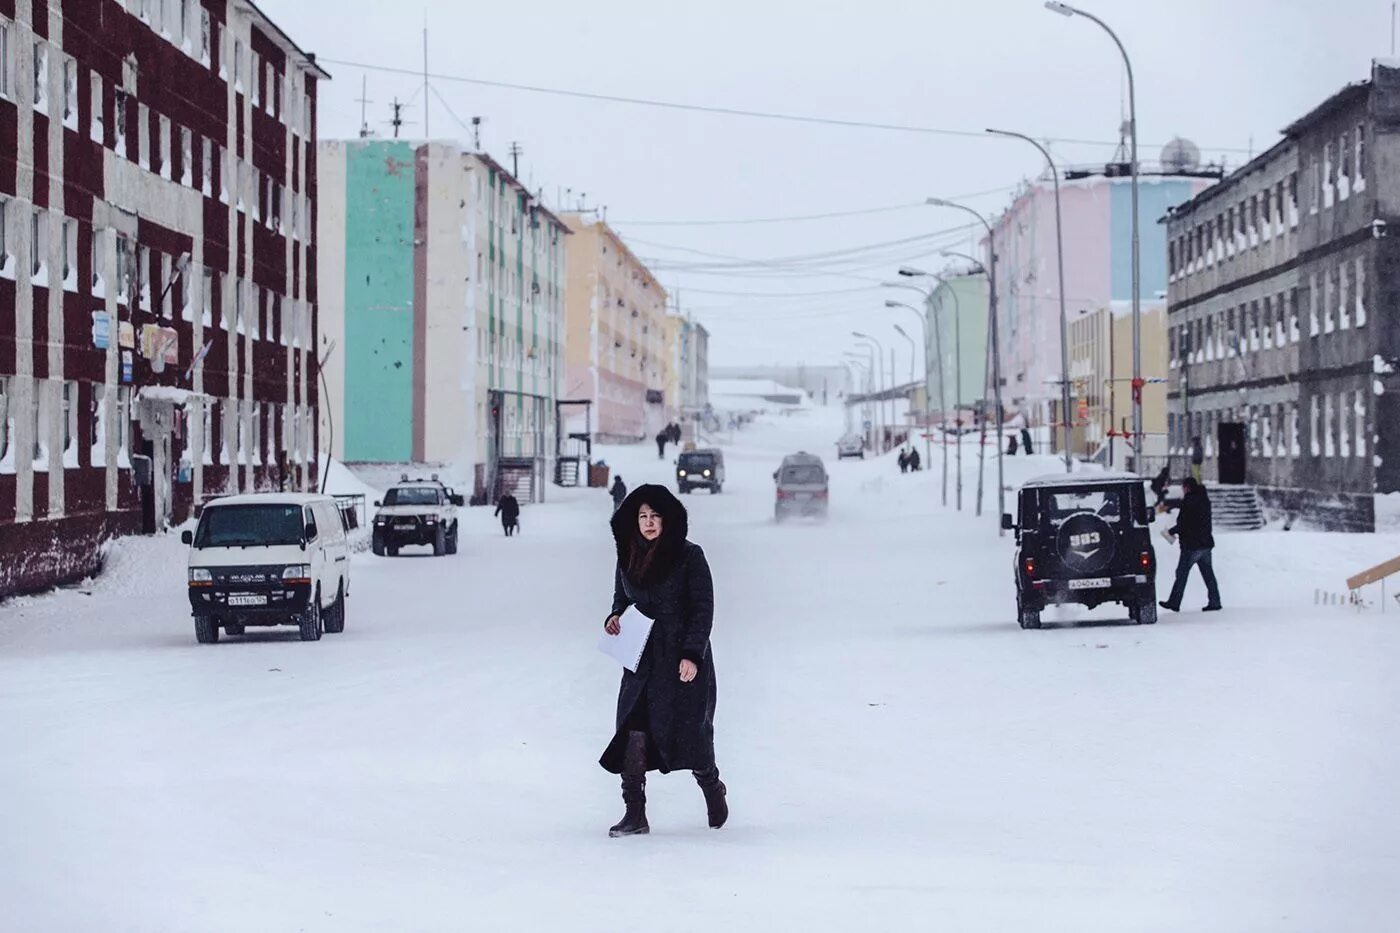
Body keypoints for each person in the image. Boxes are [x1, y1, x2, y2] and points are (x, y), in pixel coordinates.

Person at [601, 485, 725, 837]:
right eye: (642, 516)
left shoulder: (690, 556)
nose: (649, 522)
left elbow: (703, 608)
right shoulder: (627, 556)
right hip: (641, 659)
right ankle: (635, 814)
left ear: (667, 519)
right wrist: (614, 617)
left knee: (693, 736)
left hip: (681, 658)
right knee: (632, 731)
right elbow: (620, 598)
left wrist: (692, 655)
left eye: (655, 516)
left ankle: (712, 786)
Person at [1159, 476, 1222, 613]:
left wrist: (1170, 531)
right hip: (1206, 543)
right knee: (1208, 574)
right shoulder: (1204, 500)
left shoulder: (1189, 501)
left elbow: (1184, 524)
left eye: (1183, 487)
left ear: (1187, 487)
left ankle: (1174, 602)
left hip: (1192, 545)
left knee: (1181, 573)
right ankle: (1215, 601)